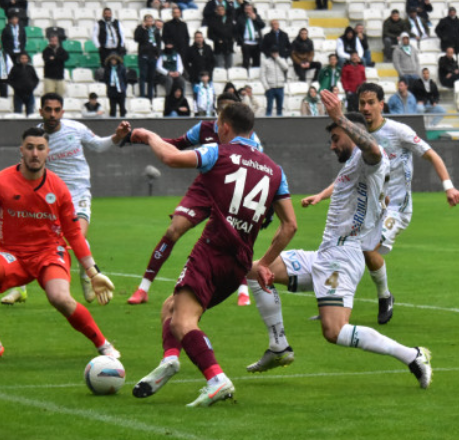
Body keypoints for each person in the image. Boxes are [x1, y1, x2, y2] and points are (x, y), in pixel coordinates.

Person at [244, 93, 433, 391]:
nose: (332, 146)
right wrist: (321, 194)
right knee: (254, 270)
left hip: (344, 258)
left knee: (334, 331)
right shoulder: (352, 164)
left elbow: (372, 150)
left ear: (349, 131)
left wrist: (341, 118)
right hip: (324, 254)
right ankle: (278, 346)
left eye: (335, 138)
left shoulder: (372, 159)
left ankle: (413, 356)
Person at [129, 103, 297, 407]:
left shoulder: (217, 152)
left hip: (211, 251)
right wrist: (264, 263)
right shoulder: (275, 170)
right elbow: (290, 226)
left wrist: (148, 135)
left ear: (225, 127)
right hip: (238, 264)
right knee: (172, 307)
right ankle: (170, 359)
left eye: (218, 125)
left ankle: (216, 378)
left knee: (183, 322)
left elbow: (169, 156)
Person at [0, 127, 120, 363]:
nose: (35, 153)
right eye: (30, 147)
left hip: (49, 254)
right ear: (21, 150)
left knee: (60, 298)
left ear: (47, 152)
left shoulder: (58, 187)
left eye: (40, 148)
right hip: (13, 256)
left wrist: (93, 272)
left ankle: (103, 344)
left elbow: (73, 234)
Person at [127, 92, 262, 306]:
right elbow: (177, 145)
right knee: (173, 231)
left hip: (231, 192)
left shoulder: (251, 140)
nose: (224, 114)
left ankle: (243, 290)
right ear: (217, 110)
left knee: (237, 238)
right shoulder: (204, 129)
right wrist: (146, 139)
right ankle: (143, 288)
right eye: (222, 109)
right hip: (205, 189)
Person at [0, 94, 131, 305]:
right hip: (47, 195)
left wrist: (117, 136)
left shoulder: (76, 129)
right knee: (24, 239)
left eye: (57, 109)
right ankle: (19, 289)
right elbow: (24, 166)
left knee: (76, 235)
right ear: (41, 111)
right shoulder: (36, 137)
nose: (53, 114)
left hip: (77, 192)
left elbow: (97, 145)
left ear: (62, 111)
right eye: (48, 109)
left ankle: (88, 279)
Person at [356, 82, 459, 324]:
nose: (366, 107)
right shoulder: (359, 136)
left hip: (397, 207)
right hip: (372, 208)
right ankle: (337, 301)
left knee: (367, 248)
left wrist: (448, 187)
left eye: (371, 102)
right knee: (349, 249)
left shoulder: (398, 131)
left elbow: (431, 154)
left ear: (381, 104)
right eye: (362, 103)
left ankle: (384, 296)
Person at [135, 14, 162, 101]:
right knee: (143, 76)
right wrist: (143, 29)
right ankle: (142, 95)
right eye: (148, 21)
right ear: (144, 21)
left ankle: (150, 96)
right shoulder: (140, 28)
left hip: (152, 56)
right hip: (143, 56)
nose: (149, 22)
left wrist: (158, 54)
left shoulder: (156, 30)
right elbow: (137, 39)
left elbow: (158, 43)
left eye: (151, 21)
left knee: (151, 77)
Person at [7, 52, 38, 116]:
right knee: (17, 113)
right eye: (22, 58)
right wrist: (16, 87)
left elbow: (36, 79)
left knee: (30, 113)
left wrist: (32, 86)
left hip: (29, 93)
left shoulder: (30, 68)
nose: (24, 60)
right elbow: (10, 80)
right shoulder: (15, 68)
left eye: (25, 58)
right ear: (19, 59)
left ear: (28, 59)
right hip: (18, 93)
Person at [235, 3, 264, 69]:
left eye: (250, 9)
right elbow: (237, 30)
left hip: (256, 42)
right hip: (246, 43)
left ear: (252, 10)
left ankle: (255, 74)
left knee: (257, 61)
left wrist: (255, 19)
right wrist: (241, 41)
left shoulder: (256, 16)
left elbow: (262, 25)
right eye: (246, 9)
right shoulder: (241, 18)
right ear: (244, 10)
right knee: (246, 61)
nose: (248, 11)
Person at [261, 47, 288, 116]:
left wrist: (277, 59)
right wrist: (266, 87)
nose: (275, 54)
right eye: (273, 53)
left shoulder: (282, 60)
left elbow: (286, 68)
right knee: (269, 107)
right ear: (271, 53)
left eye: (276, 52)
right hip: (270, 88)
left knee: (280, 108)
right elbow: (262, 75)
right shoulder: (266, 62)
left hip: (280, 87)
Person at [208, 4, 235, 69]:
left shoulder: (229, 20)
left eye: (222, 10)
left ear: (225, 11)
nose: (221, 11)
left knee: (229, 67)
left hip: (229, 46)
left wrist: (233, 38)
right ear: (216, 11)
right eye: (219, 10)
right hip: (219, 48)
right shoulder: (212, 21)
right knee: (220, 67)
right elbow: (210, 35)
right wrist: (217, 40)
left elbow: (234, 31)